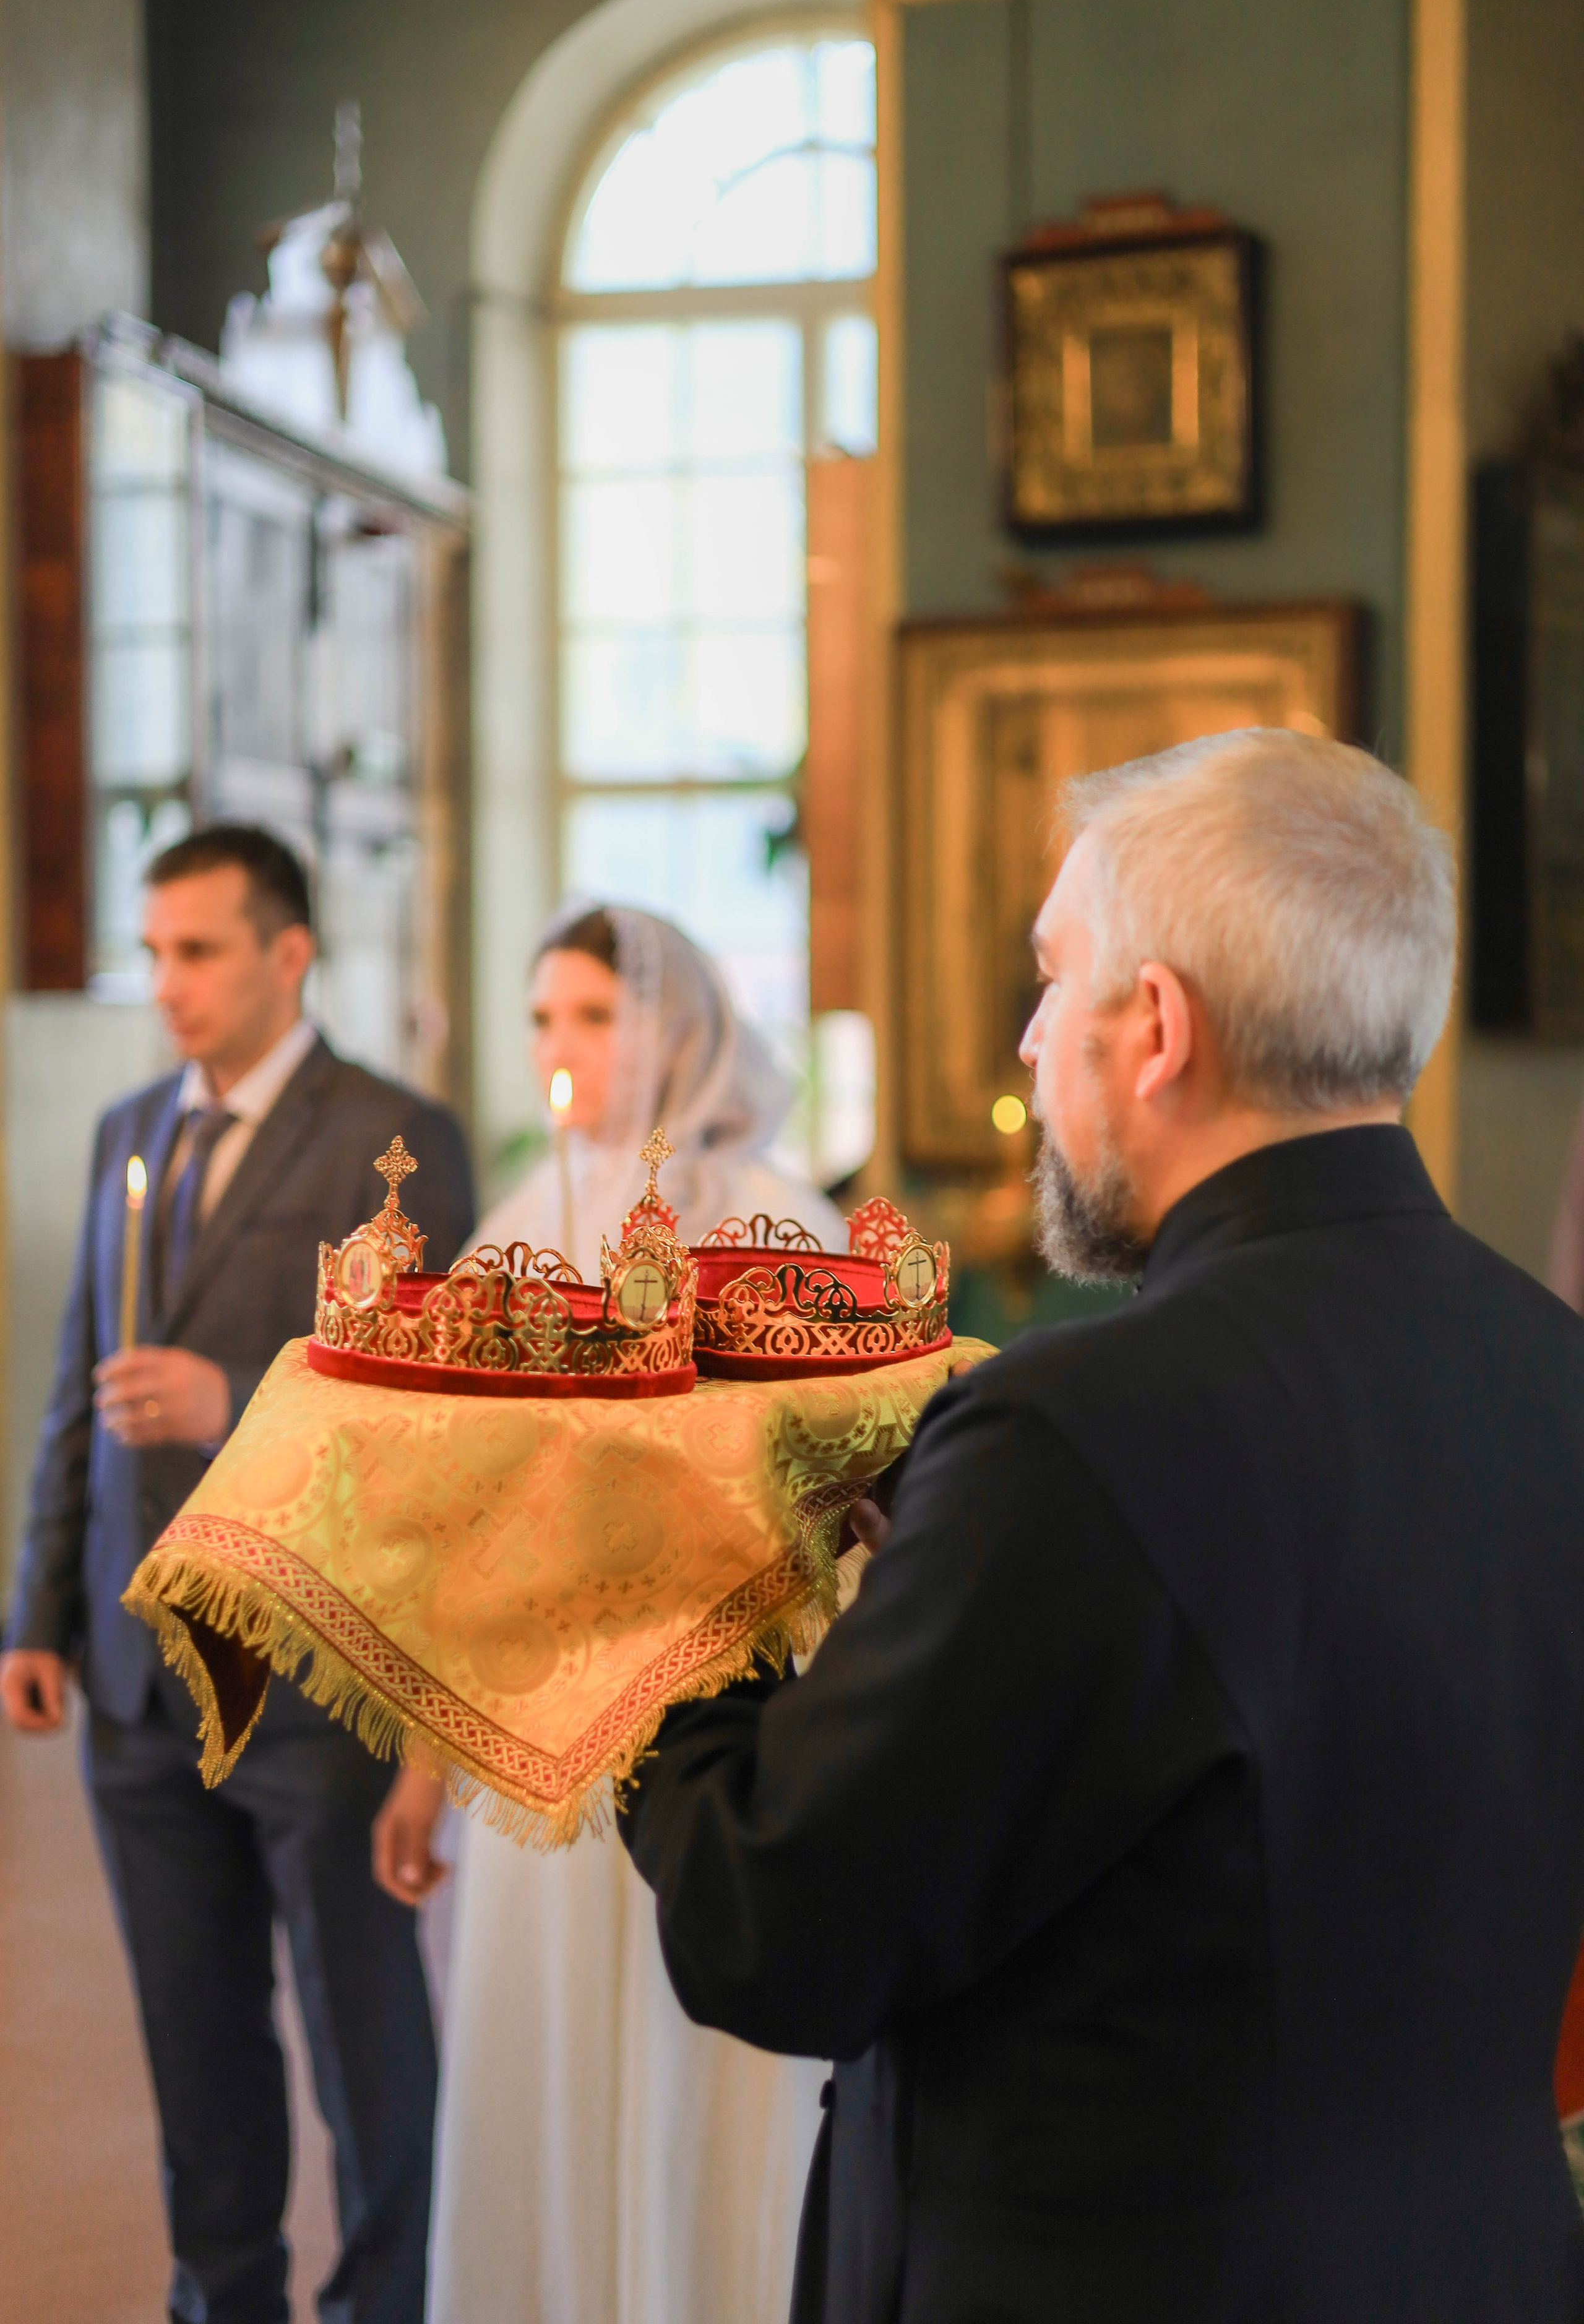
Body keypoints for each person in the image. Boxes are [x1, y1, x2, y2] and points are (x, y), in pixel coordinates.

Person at [618, 728, 1584, 2323]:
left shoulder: (1071, 1433)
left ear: (1155, 1030)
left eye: (1053, 980)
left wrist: (667, 1588)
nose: (1025, 1035)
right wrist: (947, 1551)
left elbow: (772, 1928)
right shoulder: (1550, 1369)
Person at [1, 824, 476, 2324]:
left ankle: (387, 2304)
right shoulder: (129, 1131)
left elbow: (432, 1417)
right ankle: (225, 2301)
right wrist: (41, 1609)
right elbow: (82, 1382)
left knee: (363, 2047)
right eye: (153, 954)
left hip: (313, 1672)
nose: (169, 986)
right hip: (142, 1683)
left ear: (289, 954)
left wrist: (234, 1401)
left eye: (198, 951)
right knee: (195, 2045)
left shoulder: (393, 1137)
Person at [371, 902, 845, 2324]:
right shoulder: (525, 1222)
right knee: (549, 2049)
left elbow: (827, 1495)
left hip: (714, 1708)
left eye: (594, 1014)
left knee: (684, 2038)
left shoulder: (774, 1217)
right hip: (540, 1723)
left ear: (680, 1027)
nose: (560, 1050)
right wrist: (420, 1752)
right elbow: (450, 1513)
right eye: (539, 1020)